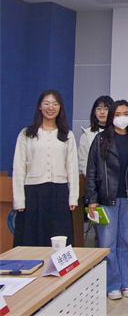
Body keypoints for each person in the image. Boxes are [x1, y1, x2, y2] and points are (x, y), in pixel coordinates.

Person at [86, 100, 128, 300]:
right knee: (108, 243)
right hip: (106, 199)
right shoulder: (100, 140)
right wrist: (92, 199)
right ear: (111, 117)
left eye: (126, 114)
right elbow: (91, 171)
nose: (122, 117)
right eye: (118, 114)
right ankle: (112, 284)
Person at [13, 89, 79, 247]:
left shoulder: (67, 135)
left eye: (55, 104)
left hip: (59, 192)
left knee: (59, 237)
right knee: (31, 237)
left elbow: (72, 168)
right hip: (33, 193)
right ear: (39, 107)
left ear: (60, 107)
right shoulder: (27, 134)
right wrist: (19, 200)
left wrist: (73, 197)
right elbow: (19, 168)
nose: (51, 107)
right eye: (47, 103)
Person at [78, 95, 114, 175]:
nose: (102, 112)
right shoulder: (86, 134)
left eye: (106, 109)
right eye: (99, 108)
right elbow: (83, 161)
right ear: (94, 112)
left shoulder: (118, 133)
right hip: (93, 179)